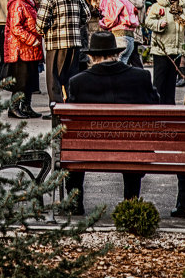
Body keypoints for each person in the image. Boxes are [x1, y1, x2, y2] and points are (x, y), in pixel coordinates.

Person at [64, 31, 160, 215]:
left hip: (88, 149)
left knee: (73, 147)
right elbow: (155, 105)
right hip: (133, 148)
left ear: (91, 56)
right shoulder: (140, 77)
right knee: (133, 144)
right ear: (116, 54)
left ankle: (75, 203)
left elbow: (70, 121)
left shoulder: (78, 82)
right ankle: (130, 202)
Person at [37, 0, 90, 110]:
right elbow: (87, 15)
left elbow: (41, 24)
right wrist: (74, 26)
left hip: (55, 43)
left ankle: (57, 110)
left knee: (53, 78)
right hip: (74, 42)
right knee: (70, 76)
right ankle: (70, 107)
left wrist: (44, 31)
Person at [145, 0, 185, 103]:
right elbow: (148, 22)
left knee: (171, 81)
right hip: (161, 49)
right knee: (159, 81)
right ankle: (156, 106)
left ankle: (170, 106)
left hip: (177, 48)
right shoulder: (158, 6)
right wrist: (158, 24)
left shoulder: (183, 6)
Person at [5, 0, 43, 118]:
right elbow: (16, 27)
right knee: (21, 80)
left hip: (31, 49)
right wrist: (31, 39)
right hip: (21, 48)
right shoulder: (18, 3)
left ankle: (26, 106)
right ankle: (13, 108)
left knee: (30, 80)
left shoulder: (29, 2)